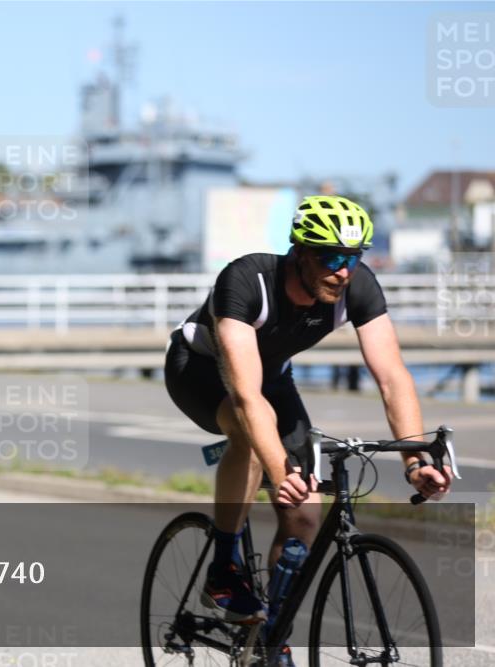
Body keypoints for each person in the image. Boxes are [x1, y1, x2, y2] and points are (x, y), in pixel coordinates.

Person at [164, 195, 452, 662]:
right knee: (254, 440)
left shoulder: (357, 288)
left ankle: (271, 638)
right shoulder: (246, 280)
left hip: (273, 378)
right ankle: (222, 570)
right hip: (199, 371)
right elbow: (245, 396)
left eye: (354, 257)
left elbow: (392, 377)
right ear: (300, 251)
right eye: (331, 257)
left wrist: (415, 458)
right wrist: (281, 471)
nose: (343, 270)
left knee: (304, 516)